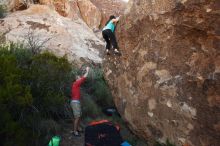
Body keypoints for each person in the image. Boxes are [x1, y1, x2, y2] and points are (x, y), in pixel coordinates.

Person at [70, 66, 90, 137]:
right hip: (75, 102)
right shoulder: (76, 83)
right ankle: (75, 131)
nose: (80, 78)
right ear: (77, 79)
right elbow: (84, 78)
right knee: (77, 117)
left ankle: (77, 128)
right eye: (79, 77)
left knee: (78, 116)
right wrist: (87, 71)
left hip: (76, 102)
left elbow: (82, 78)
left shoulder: (76, 85)